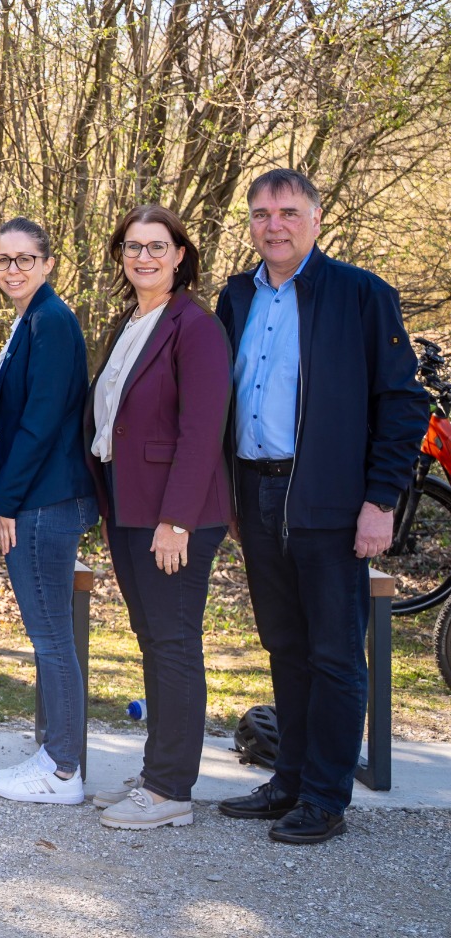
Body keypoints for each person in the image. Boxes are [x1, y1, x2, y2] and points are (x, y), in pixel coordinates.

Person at [213, 170, 428, 844]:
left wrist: (380, 500)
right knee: (284, 645)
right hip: (257, 491)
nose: (273, 225)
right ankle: (289, 781)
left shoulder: (360, 294)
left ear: (315, 217)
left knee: (334, 654)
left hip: (331, 498)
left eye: (287, 212)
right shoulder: (237, 296)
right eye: (261, 213)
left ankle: (325, 798)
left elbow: (403, 404)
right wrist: (229, 494)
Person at [82, 205, 232, 829]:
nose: (143, 257)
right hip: (130, 504)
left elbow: (202, 432)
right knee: (153, 639)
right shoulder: (131, 321)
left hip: (174, 514)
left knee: (173, 644)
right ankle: (155, 773)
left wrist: (177, 521)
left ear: (179, 255)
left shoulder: (195, 326)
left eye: (156, 246)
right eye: (132, 247)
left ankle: (171, 791)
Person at [0, 217, 97, 805]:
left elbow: (40, 421)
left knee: (52, 637)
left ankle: (63, 770)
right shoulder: (29, 319)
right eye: (4, 259)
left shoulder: (51, 320)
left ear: (49, 263)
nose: (13, 269)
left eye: (25, 258)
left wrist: (5, 499)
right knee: (47, 634)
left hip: (44, 500)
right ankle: (56, 752)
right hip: (36, 495)